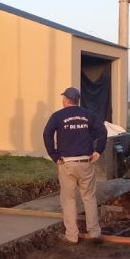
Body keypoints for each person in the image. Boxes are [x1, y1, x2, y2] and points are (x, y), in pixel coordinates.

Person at [43, 87, 107, 244]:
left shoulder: (58, 116)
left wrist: (54, 155)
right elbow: (102, 132)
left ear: (65, 100)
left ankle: (72, 235)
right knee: (89, 197)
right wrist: (98, 150)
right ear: (78, 100)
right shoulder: (88, 115)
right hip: (86, 162)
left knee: (69, 200)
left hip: (67, 164)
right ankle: (94, 232)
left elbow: (47, 134)